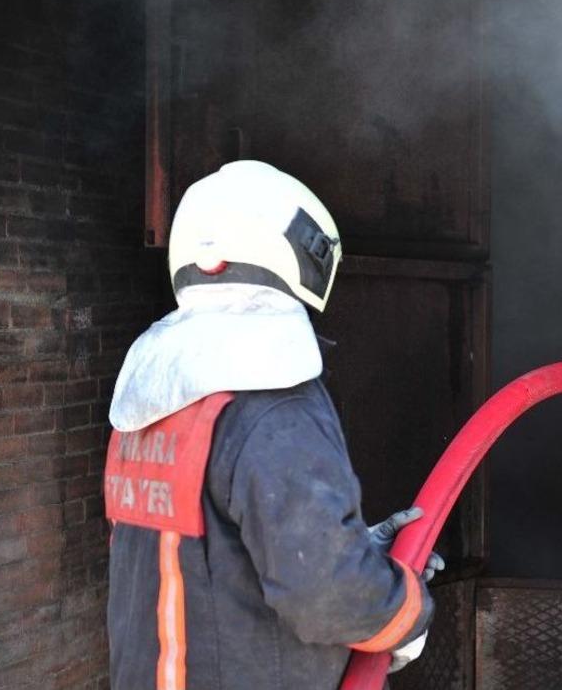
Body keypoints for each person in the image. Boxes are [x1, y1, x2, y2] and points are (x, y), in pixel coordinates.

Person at [104, 160, 441, 690]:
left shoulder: (151, 397)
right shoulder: (272, 404)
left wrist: (351, 547)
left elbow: (217, 560)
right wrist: (404, 616)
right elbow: (328, 597)